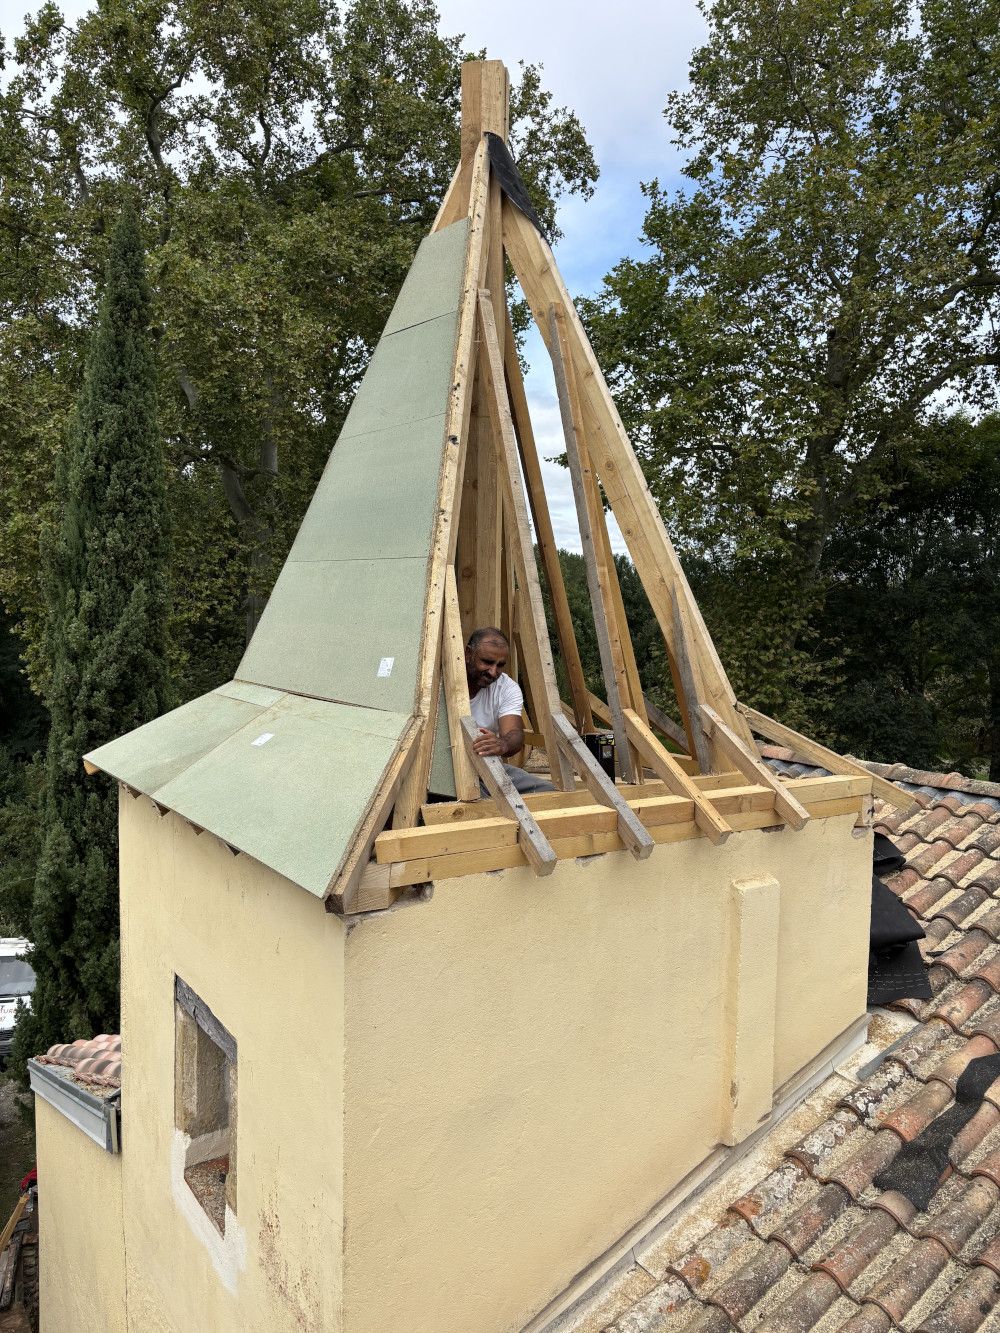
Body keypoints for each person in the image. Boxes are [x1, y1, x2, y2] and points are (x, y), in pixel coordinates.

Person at [465, 627, 555, 795]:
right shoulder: (443, 680)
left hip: (488, 767)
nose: (493, 672)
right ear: (468, 654)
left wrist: (503, 744)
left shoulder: (507, 688)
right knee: (482, 804)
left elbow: (515, 733)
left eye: (500, 665)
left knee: (548, 792)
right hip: (450, 771)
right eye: (487, 662)